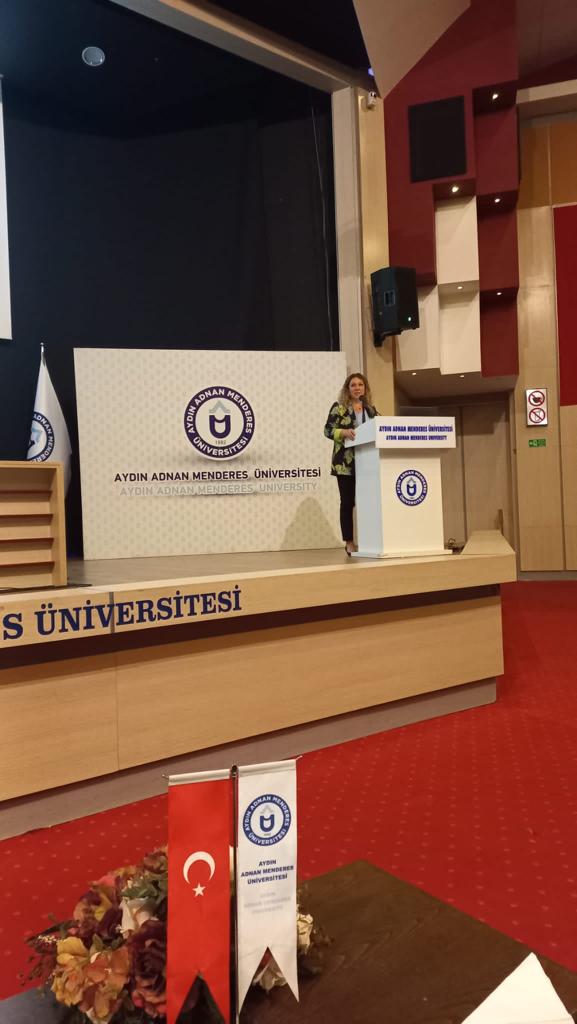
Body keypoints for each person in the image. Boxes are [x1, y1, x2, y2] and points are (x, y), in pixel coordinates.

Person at [324, 372, 378, 556]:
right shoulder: (339, 408)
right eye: (353, 385)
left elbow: (377, 429)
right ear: (347, 389)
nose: (357, 388)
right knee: (347, 503)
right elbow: (328, 430)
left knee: (369, 502)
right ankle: (349, 542)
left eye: (360, 385)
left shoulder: (370, 410)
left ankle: (370, 540)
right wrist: (343, 432)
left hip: (368, 463)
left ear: (365, 388)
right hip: (345, 464)